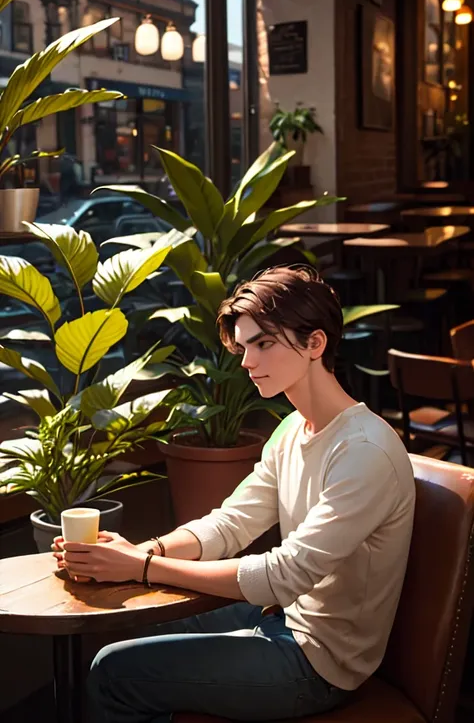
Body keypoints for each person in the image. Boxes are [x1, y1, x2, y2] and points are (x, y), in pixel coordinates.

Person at [52, 265, 416, 723]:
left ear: (315, 344)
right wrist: (141, 552)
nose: (247, 361)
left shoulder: (364, 450)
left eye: (263, 343)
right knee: (133, 619)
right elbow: (230, 523)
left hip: (321, 663)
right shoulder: (290, 430)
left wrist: (142, 566)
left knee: (114, 672)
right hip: (277, 617)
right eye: (244, 347)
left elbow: (286, 574)